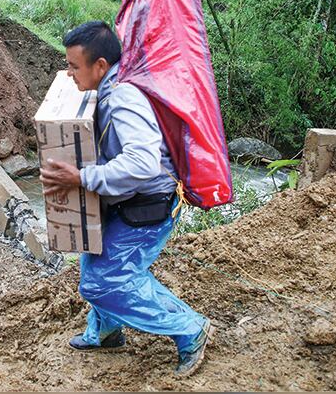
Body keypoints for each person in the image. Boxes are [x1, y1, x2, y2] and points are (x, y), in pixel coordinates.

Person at [39, 21, 214, 378]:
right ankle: (105, 332)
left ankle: (189, 328)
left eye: (74, 66)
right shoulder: (108, 87)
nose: (69, 73)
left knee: (104, 282)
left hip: (148, 208)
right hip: (124, 203)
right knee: (94, 263)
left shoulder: (123, 97)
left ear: (100, 65)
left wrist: (83, 177)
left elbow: (143, 163)